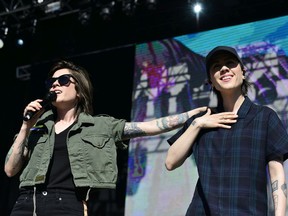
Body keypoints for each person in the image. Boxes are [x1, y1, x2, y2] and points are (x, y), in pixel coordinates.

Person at [4, 60, 207, 216]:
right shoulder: (36, 128)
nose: (55, 84)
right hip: (26, 204)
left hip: (65, 205)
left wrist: (192, 115)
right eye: (52, 82)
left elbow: (150, 127)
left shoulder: (99, 126)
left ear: (79, 92)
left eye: (63, 80)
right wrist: (25, 126)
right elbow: (10, 169)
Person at [165, 46, 288, 216]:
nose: (224, 68)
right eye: (216, 66)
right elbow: (171, 162)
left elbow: (276, 171)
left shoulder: (264, 117)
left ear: (243, 72)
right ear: (211, 81)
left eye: (230, 63)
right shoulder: (202, 119)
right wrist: (198, 124)